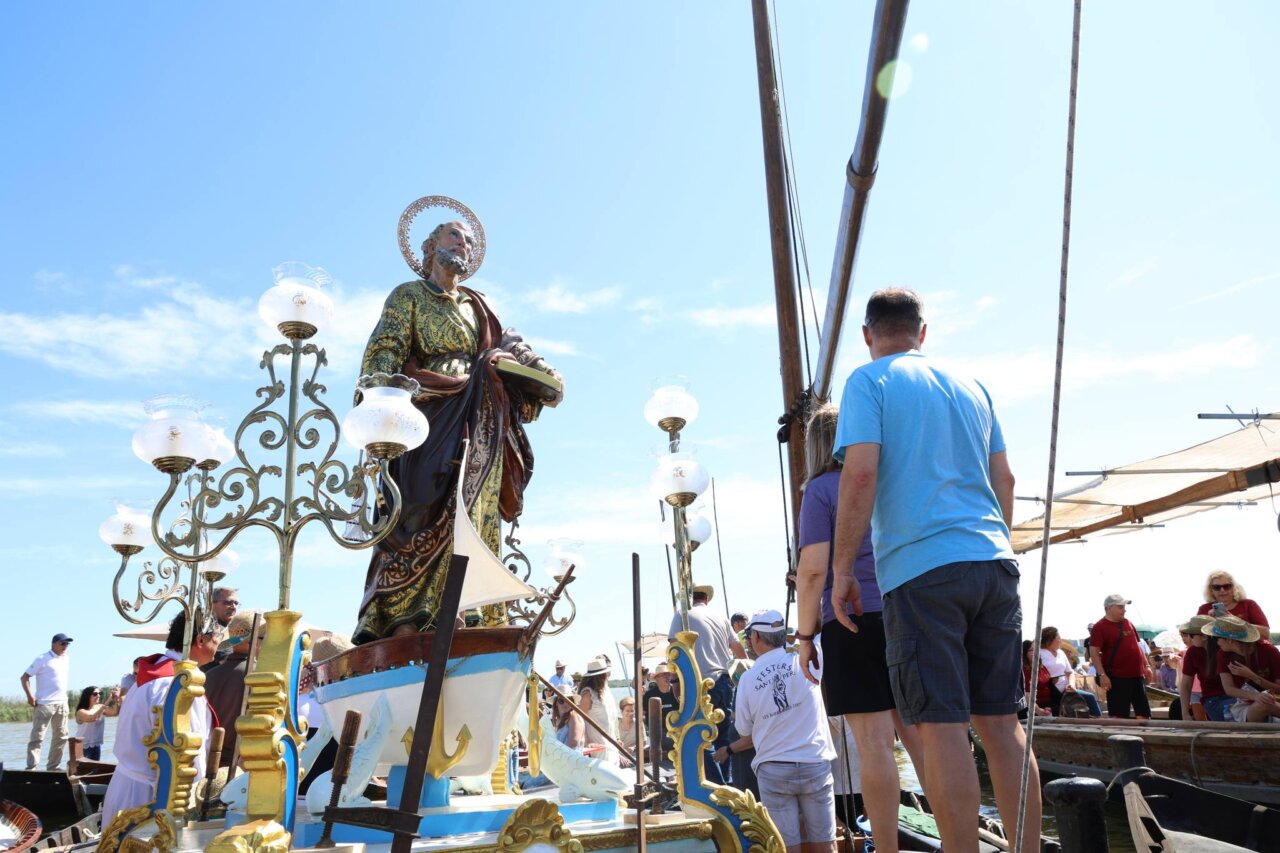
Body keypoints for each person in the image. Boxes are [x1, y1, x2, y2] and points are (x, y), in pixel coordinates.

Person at [829, 288, 1041, 853]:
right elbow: (1005, 480)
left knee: (942, 726)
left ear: (868, 335)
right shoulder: (973, 386)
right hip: (993, 561)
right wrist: (993, 543)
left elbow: (861, 474)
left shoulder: (867, 381)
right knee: (1003, 725)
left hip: (921, 570)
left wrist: (843, 569)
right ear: (923, 332)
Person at [352, 216, 563, 643]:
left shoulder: (478, 306)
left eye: (469, 241)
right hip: (425, 412)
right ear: (431, 246)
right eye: (454, 236)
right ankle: (403, 616)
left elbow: (510, 344)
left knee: (473, 507)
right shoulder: (409, 295)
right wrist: (379, 405)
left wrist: (541, 371)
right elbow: (387, 347)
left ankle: (467, 608)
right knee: (414, 505)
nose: (463, 245)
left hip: (480, 416)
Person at [795, 403, 924, 853]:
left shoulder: (820, 491)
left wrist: (804, 638)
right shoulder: (889, 484)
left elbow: (813, 572)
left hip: (850, 620)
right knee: (923, 739)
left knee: (874, 745)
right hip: (904, 611)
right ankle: (957, 839)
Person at [715, 610, 836, 853]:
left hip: (774, 770)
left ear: (756, 637)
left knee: (784, 847)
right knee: (826, 845)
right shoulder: (809, 657)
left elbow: (744, 731)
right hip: (814, 763)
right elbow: (822, 625)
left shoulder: (747, 679)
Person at [102, 611, 217, 820]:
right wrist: (196, 799)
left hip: (125, 786)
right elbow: (188, 751)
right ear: (200, 640)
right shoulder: (179, 684)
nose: (219, 643)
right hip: (155, 799)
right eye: (216, 636)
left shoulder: (152, 675)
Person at [668, 583, 746, 784]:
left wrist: (675, 681)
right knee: (723, 737)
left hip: (698, 685)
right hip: (724, 682)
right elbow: (738, 649)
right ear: (706, 599)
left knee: (699, 737)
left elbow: (675, 652)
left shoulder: (682, 616)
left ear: (688, 598)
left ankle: (716, 785)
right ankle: (727, 784)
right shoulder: (721, 617)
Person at [204, 609, 264, 766]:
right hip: (242, 766)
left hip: (207, 761)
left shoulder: (208, 675)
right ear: (253, 641)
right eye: (263, 638)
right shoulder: (260, 675)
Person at [1205, 615, 1280, 723]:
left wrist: (1253, 677)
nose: (1217, 643)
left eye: (1217, 638)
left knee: (1266, 702)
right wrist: (1256, 696)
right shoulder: (1222, 655)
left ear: (1229, 640)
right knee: (1264, 704)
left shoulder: (1268, 650)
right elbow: (1229, 689)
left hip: (1274, 700)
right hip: (1247, 705)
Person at [1089, 595, 1152, 719]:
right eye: (1120, 607)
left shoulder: (1128, 622)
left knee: (1144, 714)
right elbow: (1094, 652)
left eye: (1124, 607)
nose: (1124, 610)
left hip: (1137, 676)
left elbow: (1137, 646)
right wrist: (1102, 675)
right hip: (1117, 678)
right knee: (1118, 716)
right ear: (1109, 608)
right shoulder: (1099, 627)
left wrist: (1147, 665)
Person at [21, 633, 73, 770]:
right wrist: (30, 696)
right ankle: (31, 767)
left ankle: (53, 766)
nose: (65, 646)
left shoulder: (66, 658)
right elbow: (24, 677)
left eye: (67, 644)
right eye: (63, 643)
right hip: (44, 704)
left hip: (62, 703)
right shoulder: (42, 658)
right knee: (37, 737)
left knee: (61, 737)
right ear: (53, 644)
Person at [577, 656, 620, 765]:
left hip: (611, 742)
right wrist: (586, 742)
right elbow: (579, 719)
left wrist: (617, 738)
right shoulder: (587, 694)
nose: (608, 675)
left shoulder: (606, 690)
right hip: (597, 744)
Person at [1178, 615, 1219, 721]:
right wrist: (1185, 713)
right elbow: (1186, 684)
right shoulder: (1192, 652)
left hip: (1233, 699)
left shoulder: (1223, 650)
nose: (1189, 638)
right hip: (1211, 700)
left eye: (1191, 635)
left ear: (1204, 636)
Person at [1197, 571, 1269, 629]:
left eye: (1227, 586)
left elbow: (1265, 632)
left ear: (1233, 588)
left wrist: (1233, 620)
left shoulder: (1249, 605)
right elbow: (1195, 636)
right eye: (1217, 587)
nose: (1222, 590)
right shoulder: (1204, 609)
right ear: (1211, 590)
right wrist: (1209, 622)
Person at [74, 685, 119, 761]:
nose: (98, 696)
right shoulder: (80, 711)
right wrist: (108, 700)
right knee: (85, 768)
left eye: (99, 693)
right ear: (87, 696)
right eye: (95, 694)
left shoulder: (100, 707)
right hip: (83, 747)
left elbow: (115, 712)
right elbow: (92, 718)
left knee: (95, 767)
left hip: (96, 745)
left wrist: (116, 699)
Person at [1021, 641, 1053, 718]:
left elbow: (1051, 686)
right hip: (1035, 705)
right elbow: (1025, 693)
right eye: (1031, 650)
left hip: (1049, 702)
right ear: (1024, 653)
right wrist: (1038, 710)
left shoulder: (1042, 667)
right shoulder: (1022, 671)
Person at [617, 696, 643, 768]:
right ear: (621, 711)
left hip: (633, 758)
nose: (630, 713)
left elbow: (643, 742)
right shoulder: (615, 724)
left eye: (632, 711)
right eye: (627, 711)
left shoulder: (639, 723)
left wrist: (634, 747)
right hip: (618, 757)